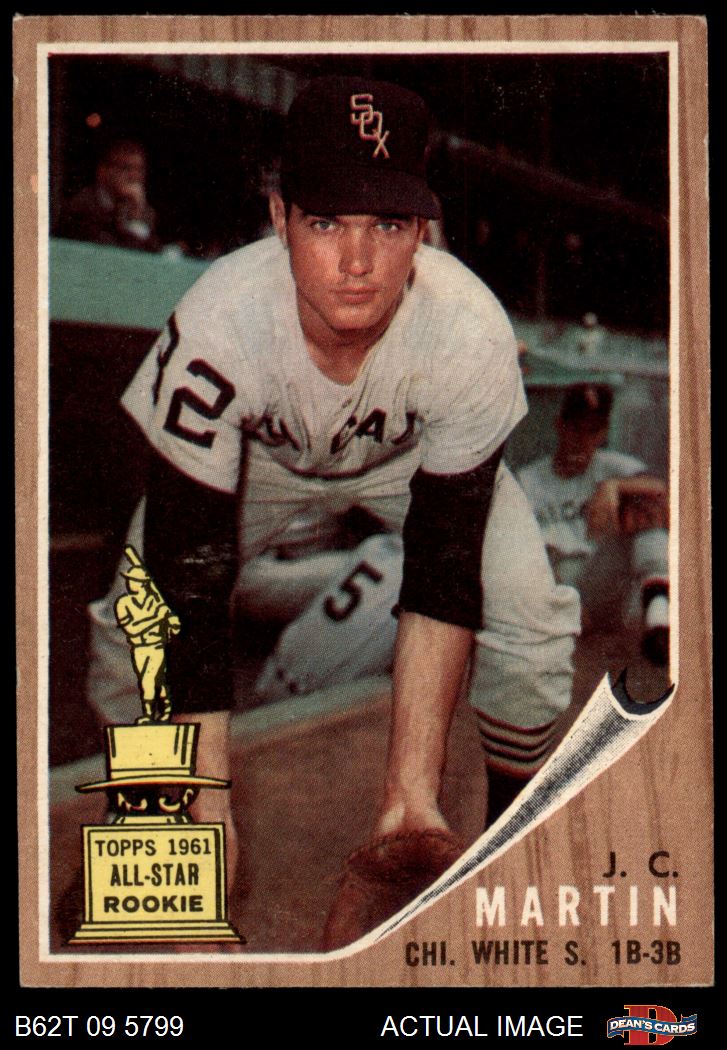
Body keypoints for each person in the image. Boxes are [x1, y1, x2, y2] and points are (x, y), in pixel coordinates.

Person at [89, 76, 580, 940]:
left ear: (422, 232)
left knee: (530, 614)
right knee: (132, 626)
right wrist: (209, 797)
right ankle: (154, 837)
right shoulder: (220, 323)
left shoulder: (467, 330)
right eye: (325, 222)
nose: (356, 260)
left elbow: (442, 569)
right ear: (279, 219)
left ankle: (502, 854)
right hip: (261, 465)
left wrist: (410, 794)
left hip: (406, 461)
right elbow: (187, 582)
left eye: (386, 225)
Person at [517, 383, 669, 665]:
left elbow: (664, 491)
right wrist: (559, 601)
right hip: (553, 588)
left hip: (601, 580)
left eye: (593, 431)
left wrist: (614, 487)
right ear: (560, 426)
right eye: (576, 429)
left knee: (646, 507)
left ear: (603, 433)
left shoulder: (612, 467)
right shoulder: (529, 480)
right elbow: (523, 557)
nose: (583, 440)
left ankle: (659, 620)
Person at [59, 138, 161, 253]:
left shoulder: (145, 211)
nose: (134, 176)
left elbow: (154, 254)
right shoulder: (83, 205)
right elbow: (113, 254)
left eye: (139, 170)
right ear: (102, 171)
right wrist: (134, 223)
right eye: (126, 168)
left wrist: (136, 215)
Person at [114, 553, 181, 725]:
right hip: (139, 648)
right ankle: (155, 713)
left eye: (135, 581)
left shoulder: (156, 603)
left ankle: (159, 713)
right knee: (149, 682)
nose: (130, 583)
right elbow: (132, 628)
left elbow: (174, 628)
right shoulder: (124, 603)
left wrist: (171, 621)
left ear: (143, 584)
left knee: (152, 681)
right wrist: (156, 619)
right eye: (130, 580)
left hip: (156, 647)